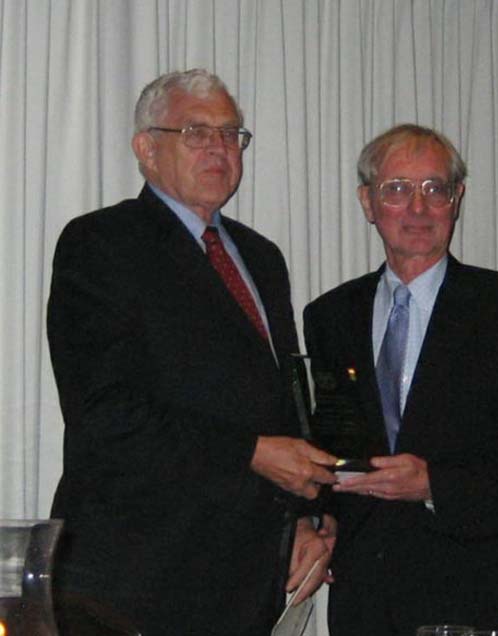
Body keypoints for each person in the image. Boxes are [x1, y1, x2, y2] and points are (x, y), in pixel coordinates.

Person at [47, 68, 337, 636]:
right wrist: (251, 453)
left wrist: (307, 516)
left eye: (231, 135)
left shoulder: (261, 257)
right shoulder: (101, 244)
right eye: (197, 132)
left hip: (247, 579)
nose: (219, 148)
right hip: (134, 580)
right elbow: (105, 414)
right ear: (146, 149)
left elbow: (282, 405)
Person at [303, 123, 498, 636]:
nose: (418, 208)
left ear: (457, 199)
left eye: (435, 189)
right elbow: (328, 442)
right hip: (367, 592)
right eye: (397, 190)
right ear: (367, 202)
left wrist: (435, 482)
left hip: (481, 587)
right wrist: (318, 517)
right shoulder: (329, 316)